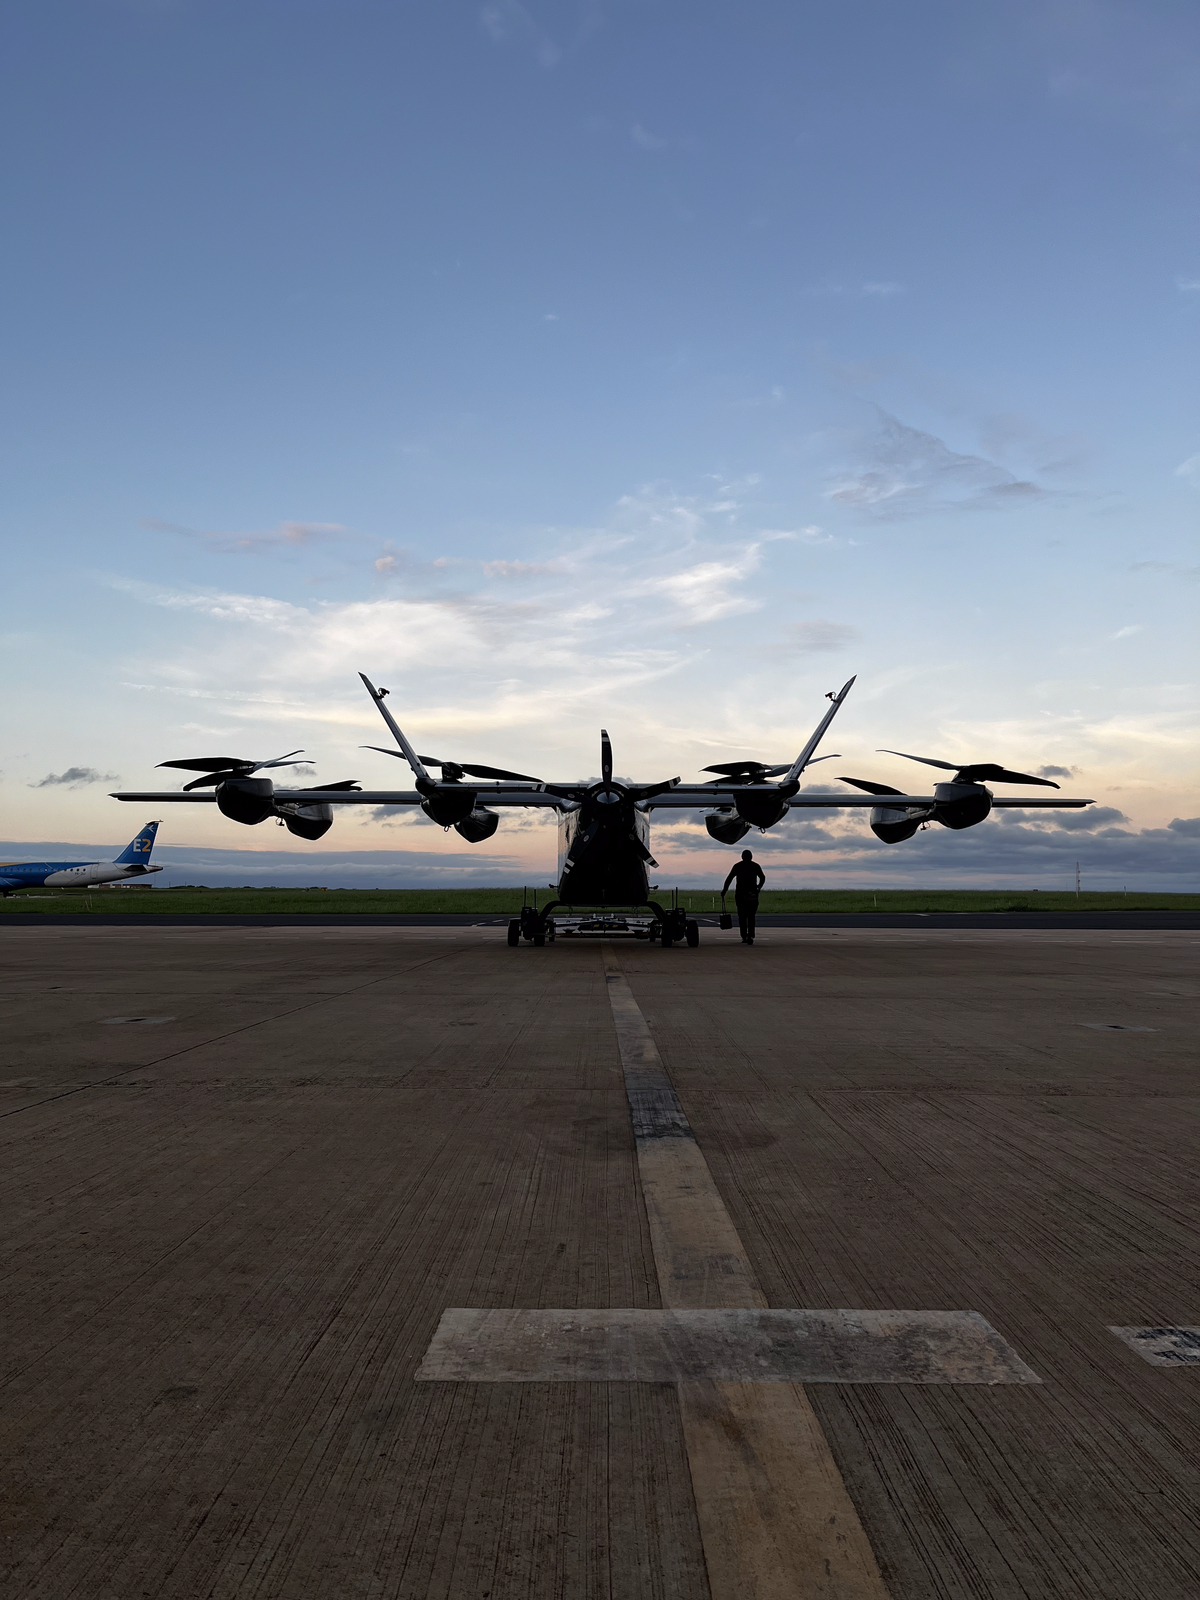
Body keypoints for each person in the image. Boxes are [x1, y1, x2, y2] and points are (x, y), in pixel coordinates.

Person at [722, 849, 765, 944]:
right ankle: (750, 935)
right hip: (752, 895)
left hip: (740, 895)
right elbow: (762, 877)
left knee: (742, 916)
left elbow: (729, 878)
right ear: (751, 857)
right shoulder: (755, 866)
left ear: (742, 857)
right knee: (751, 916)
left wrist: (724, 890)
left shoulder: (738, 866)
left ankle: (744, 936)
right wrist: (759, 887)